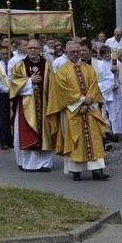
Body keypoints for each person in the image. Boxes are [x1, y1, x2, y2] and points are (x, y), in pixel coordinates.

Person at [48, 40, 109, 181]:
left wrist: (86, 104)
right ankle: (76, 170)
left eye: (78, 51)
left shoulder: (88, 68)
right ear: (66, 52)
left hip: (90, 109)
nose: (76, 54)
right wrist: (80, 100)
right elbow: (63, 92)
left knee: (94, 138)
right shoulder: (62, 71)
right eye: (72, 52)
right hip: (71, 111)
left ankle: (97, 170)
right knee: (75, 139)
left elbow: (94, 86)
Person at [10, 39, 55, 172]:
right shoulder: (20, 65)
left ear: (40, 49)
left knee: (44, 132)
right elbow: (13, 84)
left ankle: (45, 163)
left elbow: (52, 85)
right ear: (26, 49)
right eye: (30, 48)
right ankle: (27, 163)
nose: (33, 50)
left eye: (36, 48)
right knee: (26, 131)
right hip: (26, 107)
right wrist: (30, 81)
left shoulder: (47, 65)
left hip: (44, 105)